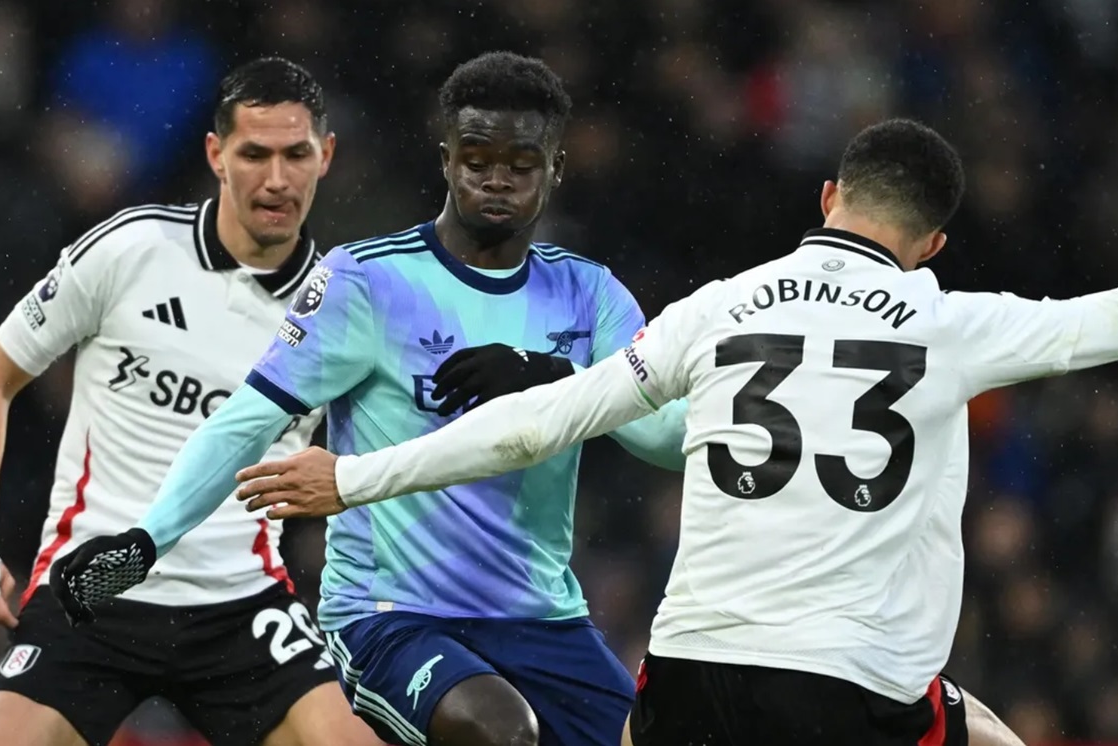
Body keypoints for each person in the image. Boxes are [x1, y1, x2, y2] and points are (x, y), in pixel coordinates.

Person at [235, 120, 1062, 746]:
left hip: (691, 670)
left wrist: (352, 478)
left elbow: (529, 429)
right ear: (935, 246)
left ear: (827, 197)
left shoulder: (718, 307)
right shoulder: (951, 325)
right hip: (849, 678)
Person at [51, 51, 688, 746]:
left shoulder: (589, 293)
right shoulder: (367, 283)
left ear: (555, 170)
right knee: (498, 730)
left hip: (541, 618)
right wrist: (149, 540)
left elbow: (662, 438)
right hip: (392, 618)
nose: (497, 180)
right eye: (477, 159)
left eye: (522, 164)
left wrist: (557, 379)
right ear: (446, 161)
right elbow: (246, 421)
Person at [0, 57, 385, 746]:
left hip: (242, 603)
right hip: (94, 591)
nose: (277, 179)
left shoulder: (345, 311)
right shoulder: (133, 247)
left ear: (325, 156)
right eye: (255, 154)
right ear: (215, 153)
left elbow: (385, 468)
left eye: (296, 154)